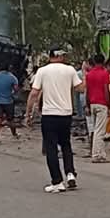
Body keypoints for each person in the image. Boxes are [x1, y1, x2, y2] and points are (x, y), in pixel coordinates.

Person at [26, 48, 84, 193]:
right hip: (66, 114)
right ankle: (70, 173)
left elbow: (34, 93)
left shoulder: (42, 71)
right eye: (63, 55)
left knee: (51, 147)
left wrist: (28, 113)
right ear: (58, 56)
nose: (64, 58)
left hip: (49, 114)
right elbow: (81, 88)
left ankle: (57, 181)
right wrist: (85, 73)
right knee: (66, 144)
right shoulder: (70, 70)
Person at [84, 54, 110, 163]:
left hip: (92, 104)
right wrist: (109, 105)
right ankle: (97, 155)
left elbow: (87, 91)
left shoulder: (89, 74)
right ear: (103, 62)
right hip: (102, 104)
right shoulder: (104, 73)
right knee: (100, 131)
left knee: (96, 129)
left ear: (94, 62)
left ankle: (100, 153)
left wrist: (87, 105)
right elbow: (106, 90)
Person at [0, 63, 20, 146]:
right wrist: (12, 93)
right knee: (10, 119)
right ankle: (14, 134)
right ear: (8, 68)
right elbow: (16, 89)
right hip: (8, 101)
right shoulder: (12, 77)